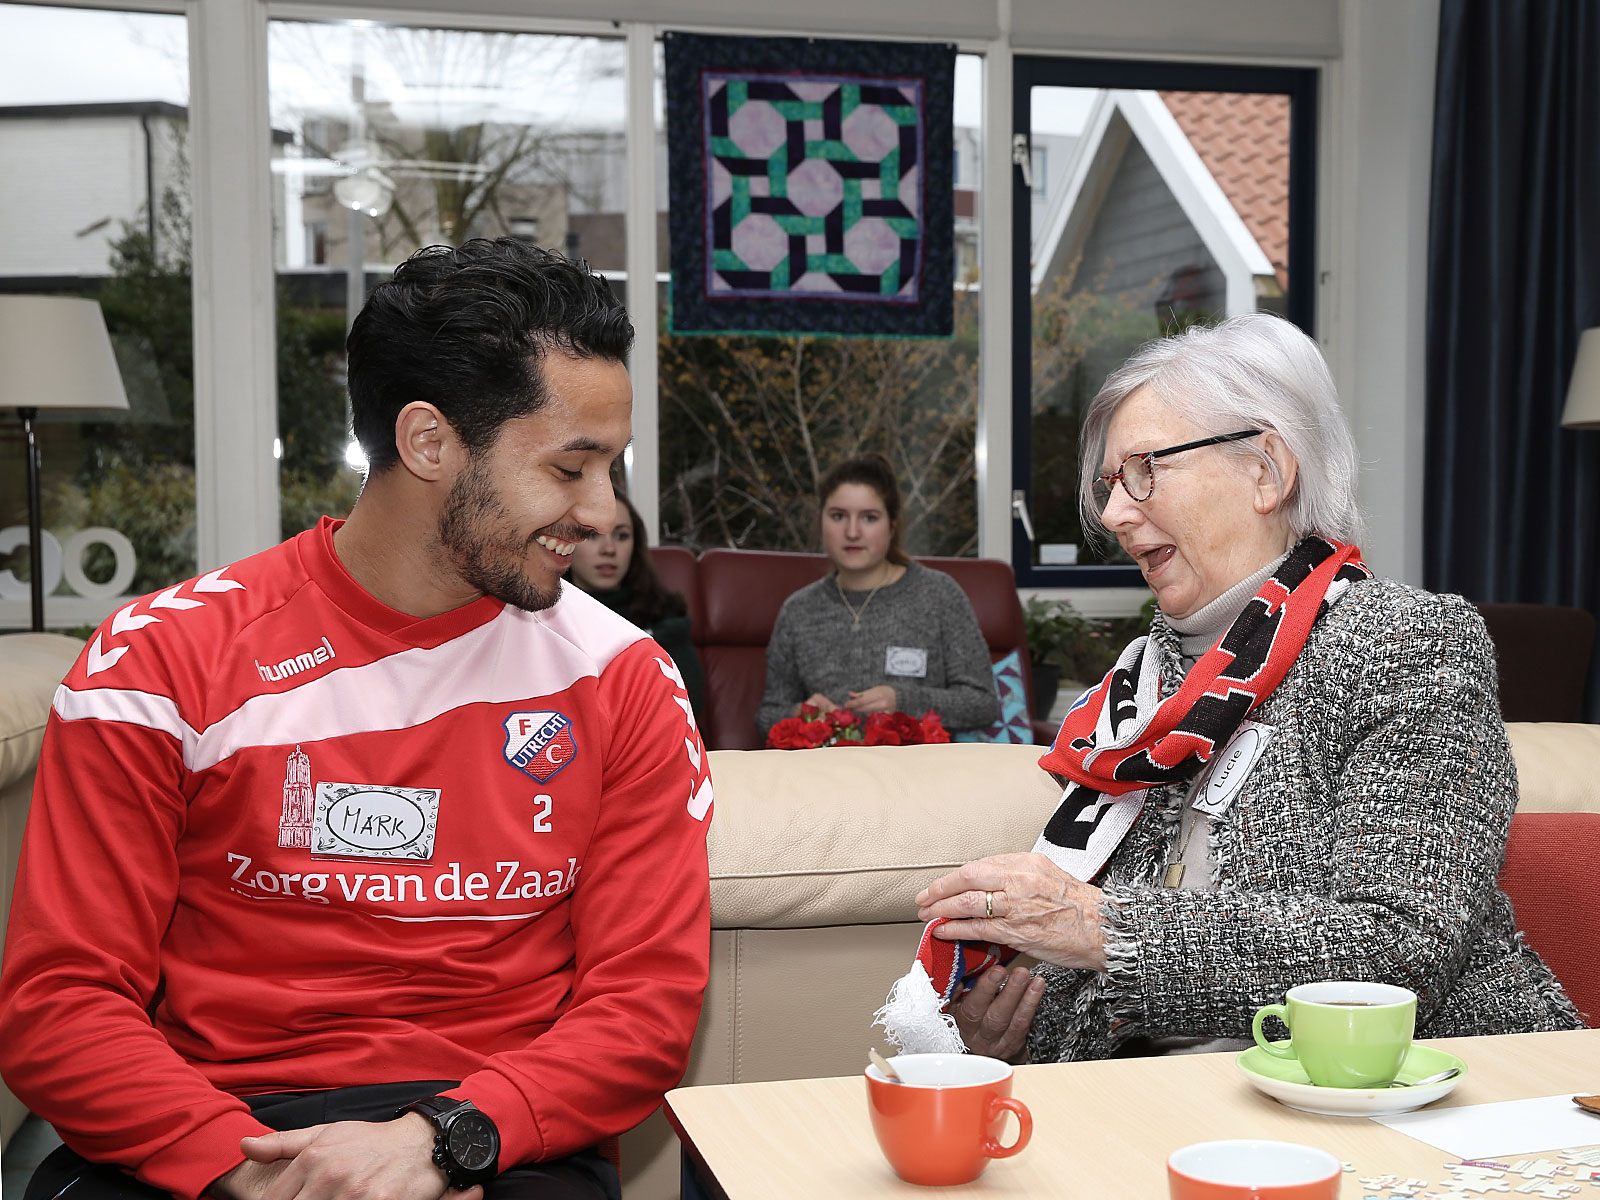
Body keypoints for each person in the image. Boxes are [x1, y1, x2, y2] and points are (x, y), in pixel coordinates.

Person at [0, 239, 714, 1200]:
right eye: (571, 467)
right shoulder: (159, 661)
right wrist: (241, 1173)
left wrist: (442, 1137)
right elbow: (60, 1003)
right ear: (427, 441)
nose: (599, 512)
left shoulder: (625, 676)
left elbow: (643, 1009)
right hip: (212, 1124)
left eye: (609, 469)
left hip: (489, 1135)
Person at [913, 313, 1582, 1064]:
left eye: (1143, 471)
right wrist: (1002, 1041)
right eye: (1109, 484)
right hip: (1186, 1110)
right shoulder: (1134, 696)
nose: (1112, 513)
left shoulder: (1403, 643)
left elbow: (1400, 948)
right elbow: (1123, 997)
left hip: (1427, 1095)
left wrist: (1099, 926)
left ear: (1266, 470)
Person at [756, 453, 999, 739]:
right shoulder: (798, 610)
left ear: (892, 526)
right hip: (826, 775)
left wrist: (902, 701)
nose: (852, 532)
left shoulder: (939, 595)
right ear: (821, 521)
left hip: (920, 774)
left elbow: (983, 705)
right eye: (838, 516)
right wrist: (800, 713)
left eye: (869, 518)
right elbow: (767, 717)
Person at [565, 493, 706, 724]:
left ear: (635, 545)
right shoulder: (539, 617)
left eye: (621, 536)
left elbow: (687, 708)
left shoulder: (665, 615)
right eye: (592, 535)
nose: (609, 548)